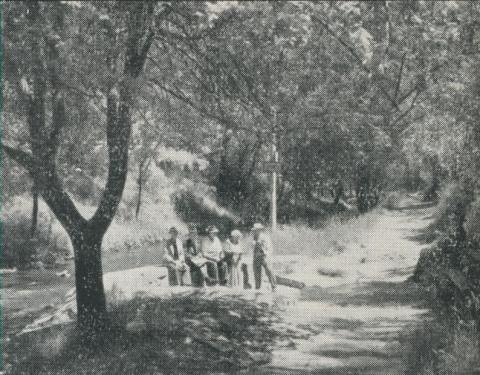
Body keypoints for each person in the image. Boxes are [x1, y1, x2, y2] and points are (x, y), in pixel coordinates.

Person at [251, 223, 276, 291]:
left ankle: (273, 286)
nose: (255, 232)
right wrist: (253, 245)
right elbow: (253, 248)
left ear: (259, 230)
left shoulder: (265, 237)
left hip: (264, 256)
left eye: (256, 230)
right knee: (257, 272)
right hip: (256, 256)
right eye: (254, 230)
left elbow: (270, 247)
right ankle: (257, 287)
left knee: (269, 271)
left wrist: (266, 254)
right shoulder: (254, 237)